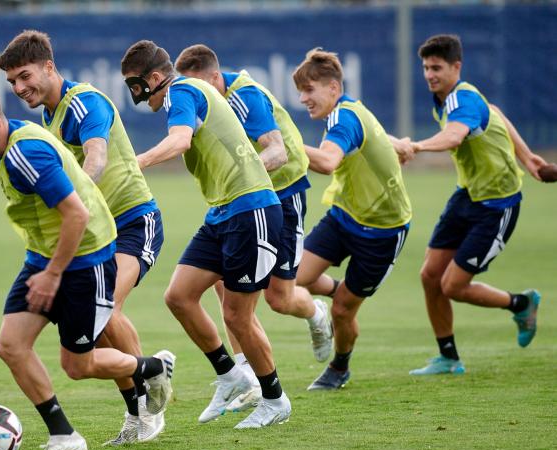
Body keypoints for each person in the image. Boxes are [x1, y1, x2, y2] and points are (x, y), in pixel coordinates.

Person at [0, 85, 174, 450]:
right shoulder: (13, 141)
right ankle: (64, 437)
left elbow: (77, 215)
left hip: (85, 263)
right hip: (44, 258)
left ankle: (150, 367)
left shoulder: (25, 154)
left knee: (78, 366)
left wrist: (53, 274)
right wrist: (47, 268)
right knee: (11, 346)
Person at [0, 30, 166, 444]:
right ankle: (140, 404)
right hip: (99, 233)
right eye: (12, 83)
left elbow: (96, 157)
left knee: (107, 311)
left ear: (49, 67)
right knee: (101, 319)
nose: (20, 88)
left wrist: (75, 200)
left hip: (133, 222)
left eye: (25, 76)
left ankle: (147, 401)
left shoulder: (85, 102)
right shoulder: (49, 116)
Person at [121, 40, 291, 428]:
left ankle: (275, 399)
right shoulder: (185, 94)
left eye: (134, 85)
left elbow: (180, 140)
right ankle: (231, 377)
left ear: (155, 78)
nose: (133, 94)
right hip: (224, 212)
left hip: (252, 211)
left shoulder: (181, 91)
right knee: (179, 296)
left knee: (238, 316)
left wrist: (136, 162)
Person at [174, 44, 332, 412]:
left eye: (198, 86)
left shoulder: (243, 96)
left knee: (280, 299)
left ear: (215, 78)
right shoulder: (210, 100)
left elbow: (278, 152)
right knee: (218, 282)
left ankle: (316, 313)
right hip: (243, 208)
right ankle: (244, 376)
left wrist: (243, 178)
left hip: (282, 198)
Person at [409, 34, 546, 375]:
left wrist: (416, 147)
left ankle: (522, 303)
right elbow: (495, 111)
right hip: (467, 196)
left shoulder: (463, 101)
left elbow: (454, 136)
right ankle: (448, 358)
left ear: (457, 67)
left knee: (452, 286)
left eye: (437, 67)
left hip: (497, 206)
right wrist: (528, 157)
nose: (429, 74)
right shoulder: (447, 99)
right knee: (429, 275)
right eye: (426, 67)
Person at [292, 48, 414, 390]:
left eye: (309, 90)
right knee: (291, 277)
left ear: (333, 88)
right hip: (344, 216)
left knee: (343, 311)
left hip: (383, 232)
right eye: (301, 91)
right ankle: (337, 290)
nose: (303, 98)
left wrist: (284, 142)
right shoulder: (350, 110)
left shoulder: (343, 117)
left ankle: (339, 367)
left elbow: (328, 162)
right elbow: (372, 133)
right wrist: (396, 145)